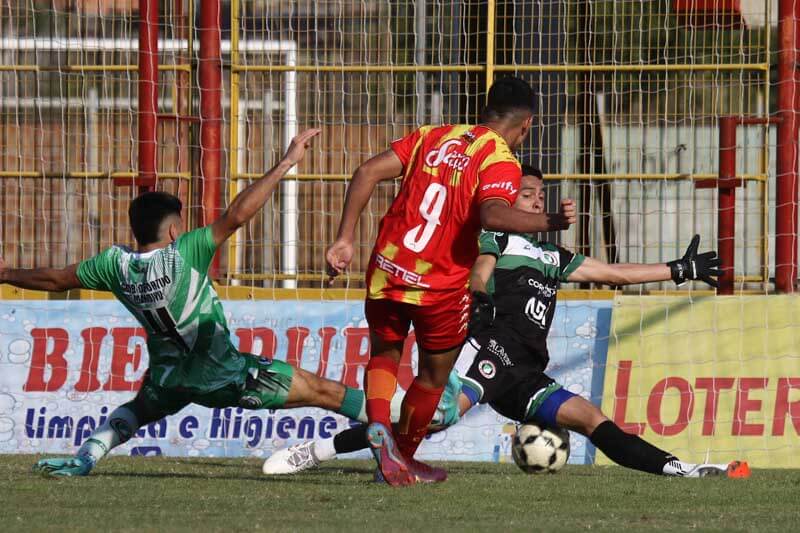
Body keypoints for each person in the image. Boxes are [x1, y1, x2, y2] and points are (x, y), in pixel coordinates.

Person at [268, 166, 750, 479]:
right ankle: (321, 451)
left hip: (524, 371)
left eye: (540, 195)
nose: (537, 202)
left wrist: (677, 270)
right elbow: (479, 270)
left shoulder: (551, 254)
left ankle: (683, 469)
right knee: (431, 421)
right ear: (506, 202)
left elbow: (612, 273)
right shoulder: (497, 235)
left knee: (588, 418)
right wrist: (477, 297)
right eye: (527, 194)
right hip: (489, 350)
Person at [0, 129, 371, 477]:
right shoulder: (185, 253)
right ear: (175, 229)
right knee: (325, 392)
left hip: (171, 382)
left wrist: (6, 274)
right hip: (231, 379)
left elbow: (56, 279)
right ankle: (395, 422)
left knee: (138, 409)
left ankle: (86, 457)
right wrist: (287, 161)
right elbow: (237, 215)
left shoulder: (114, 265)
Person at [325, 77, 576, 486]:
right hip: (438, 285)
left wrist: (345, 238)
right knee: (432, 377)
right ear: (527, 124)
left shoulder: (434, 135)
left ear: (486, 108)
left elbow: (367, 171)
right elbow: (493, 215)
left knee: (385, 354)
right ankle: (401, 457)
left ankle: (378, 424)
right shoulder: (499, 159)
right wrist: (550, 221)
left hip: (388, 266)